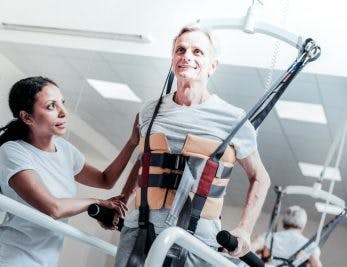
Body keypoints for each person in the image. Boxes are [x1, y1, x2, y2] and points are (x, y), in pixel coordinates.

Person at [115, 24, 271, 267]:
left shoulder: (233, 119)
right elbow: (142, 162)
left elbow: (260, 177)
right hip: (139, 230)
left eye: (197, 51)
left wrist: (244, 229)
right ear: (173, 59)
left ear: (212, 66)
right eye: (180, 50)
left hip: (197, 239)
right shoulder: (149, 111)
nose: (186, 56)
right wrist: (122, 200)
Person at [0, 76, 139, 267]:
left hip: (46, 261)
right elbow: (53, 208)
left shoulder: (65, 150)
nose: (63, 112)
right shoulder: (13, 151)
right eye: (51, 106)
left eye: (62, 103)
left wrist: (132, 143)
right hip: (12, 258)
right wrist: (96, 201)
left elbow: (105, 180)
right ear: (27, 117)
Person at [252, 205, 322, 267]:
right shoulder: (311, 246)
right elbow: (316, 265)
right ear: (303, 226)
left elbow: (249, 249)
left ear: (283, 223)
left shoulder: (267, 237)